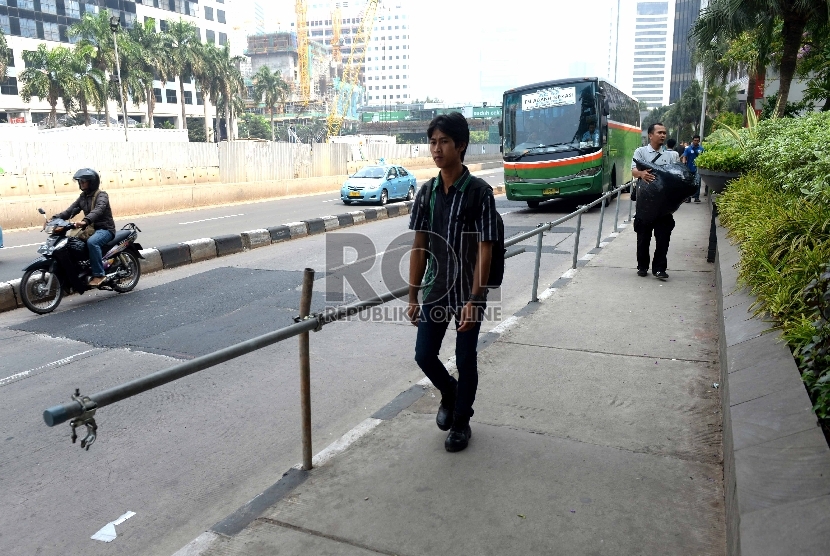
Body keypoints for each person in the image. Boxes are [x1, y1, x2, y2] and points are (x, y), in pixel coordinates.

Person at [407, 112, 498, 453]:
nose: (436, 148)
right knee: (424, 355)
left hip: (468, 292)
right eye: (432, 142)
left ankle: (461, 423)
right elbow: (419, 246)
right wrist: (413, 295)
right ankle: (450, 392)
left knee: (465, 359)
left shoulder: (479, 193)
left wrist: (475, 300)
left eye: (444, 141)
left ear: (460, 146)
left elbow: (486, 250)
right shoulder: (427, 192)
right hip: (436, 289)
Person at [54, 168, 116, 287]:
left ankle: (99, 274)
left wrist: (85, 221)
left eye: (84, 181)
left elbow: (99, 209)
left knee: (92, 243)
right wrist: (55, 218)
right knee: (71, 243)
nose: (81, 183)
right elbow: (70, 211)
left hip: (105, 229)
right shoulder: (83, 197)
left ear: (92, 182)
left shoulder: (102, 195)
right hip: (90, 229)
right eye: (80, 181)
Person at [631, 122, 675, 281]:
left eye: (664, 133)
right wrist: (641, 173)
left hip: (664, 205)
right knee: (643, 237)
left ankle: (659, 269)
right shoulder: (641, 152)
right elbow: (633, 171)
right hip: (645, 204)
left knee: (663, 238)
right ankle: (642, 267)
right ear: (650, 135)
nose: (663, 135)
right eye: (659, 133)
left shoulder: (671, 155)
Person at [682, 135, 704, 202]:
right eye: (695, 140)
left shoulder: (701, 149)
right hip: (689, 168)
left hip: (698, 169)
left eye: (697, 140)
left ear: (699, 141)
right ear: (692, 140)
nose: (696, 142)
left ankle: (696, 198)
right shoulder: (688, 149)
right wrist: (683, 164)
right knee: (689, 183)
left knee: (698, 183)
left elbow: (703, 158)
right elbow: (684, 156)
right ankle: (688, 198)